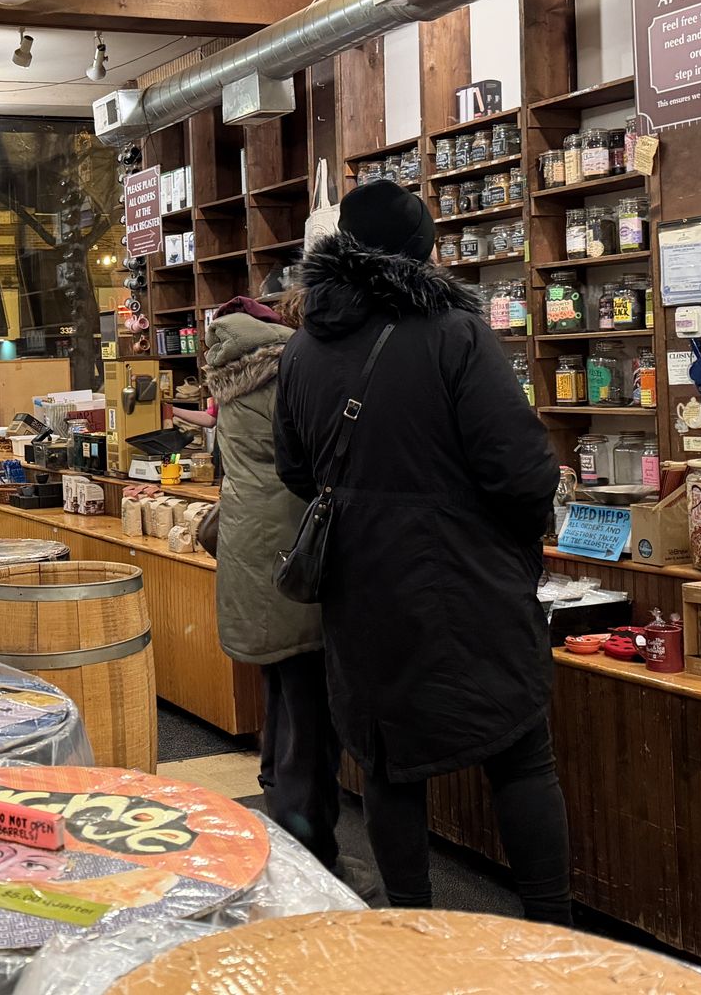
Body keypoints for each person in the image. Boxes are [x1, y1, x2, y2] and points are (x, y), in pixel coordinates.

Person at [274, 179, 571, 925]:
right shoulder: (453, 332)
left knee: (386, 763)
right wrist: (514, 542)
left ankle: (407, 928)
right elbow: (521, 469)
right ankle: (552, 926)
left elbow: (293, 469)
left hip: (360, 587)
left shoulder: (304, 346)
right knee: (519, 754)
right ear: (423, 251)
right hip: (468, 582)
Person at [201, 285, 370, 895]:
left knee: (283, 700)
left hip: (253, 546)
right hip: (295, 547)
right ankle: (311, 859)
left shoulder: (231, 366)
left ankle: (286, 828)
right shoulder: (292, 370)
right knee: (307, 714)